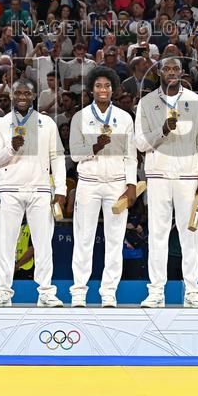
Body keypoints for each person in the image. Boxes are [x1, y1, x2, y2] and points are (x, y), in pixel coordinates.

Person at [135, 56, 198, 308]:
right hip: (158, 176)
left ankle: (192, 292)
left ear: (182, 73)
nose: (171, 72)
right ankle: (156, 292)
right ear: (158, 72)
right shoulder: (146, 102)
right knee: (157, 235)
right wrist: (163, 130)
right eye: (166, 68)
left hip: (189, 177)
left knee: (190, 235)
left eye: (175, 69)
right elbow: (140, 143)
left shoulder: (196, 101)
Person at [0, 78, 66, 307]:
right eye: (18, 93)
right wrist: (11, 147)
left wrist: (60, 188)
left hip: (40, 189)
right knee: (6, 243)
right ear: (11, 95)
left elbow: (57, 157)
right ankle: (2, 292)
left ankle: (46, 292)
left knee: (43, 244)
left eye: (27, 93)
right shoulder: (1, 124)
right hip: (10, 189)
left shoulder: (46, 123)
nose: (22, 97)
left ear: (34, 96)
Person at [68, 67, 136, 308]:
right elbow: (75, 154)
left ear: (113, 89)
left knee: (115, 240)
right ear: (91, 90)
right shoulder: (80, 117)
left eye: (107, 86)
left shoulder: (125, 118)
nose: (103, 89)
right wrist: (94, 148)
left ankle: (109, 292)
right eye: (98, 86)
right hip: (88, 183)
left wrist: (131, 184)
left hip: (117, 184)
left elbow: (130, 156)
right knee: (83, 238)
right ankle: (79, 291)